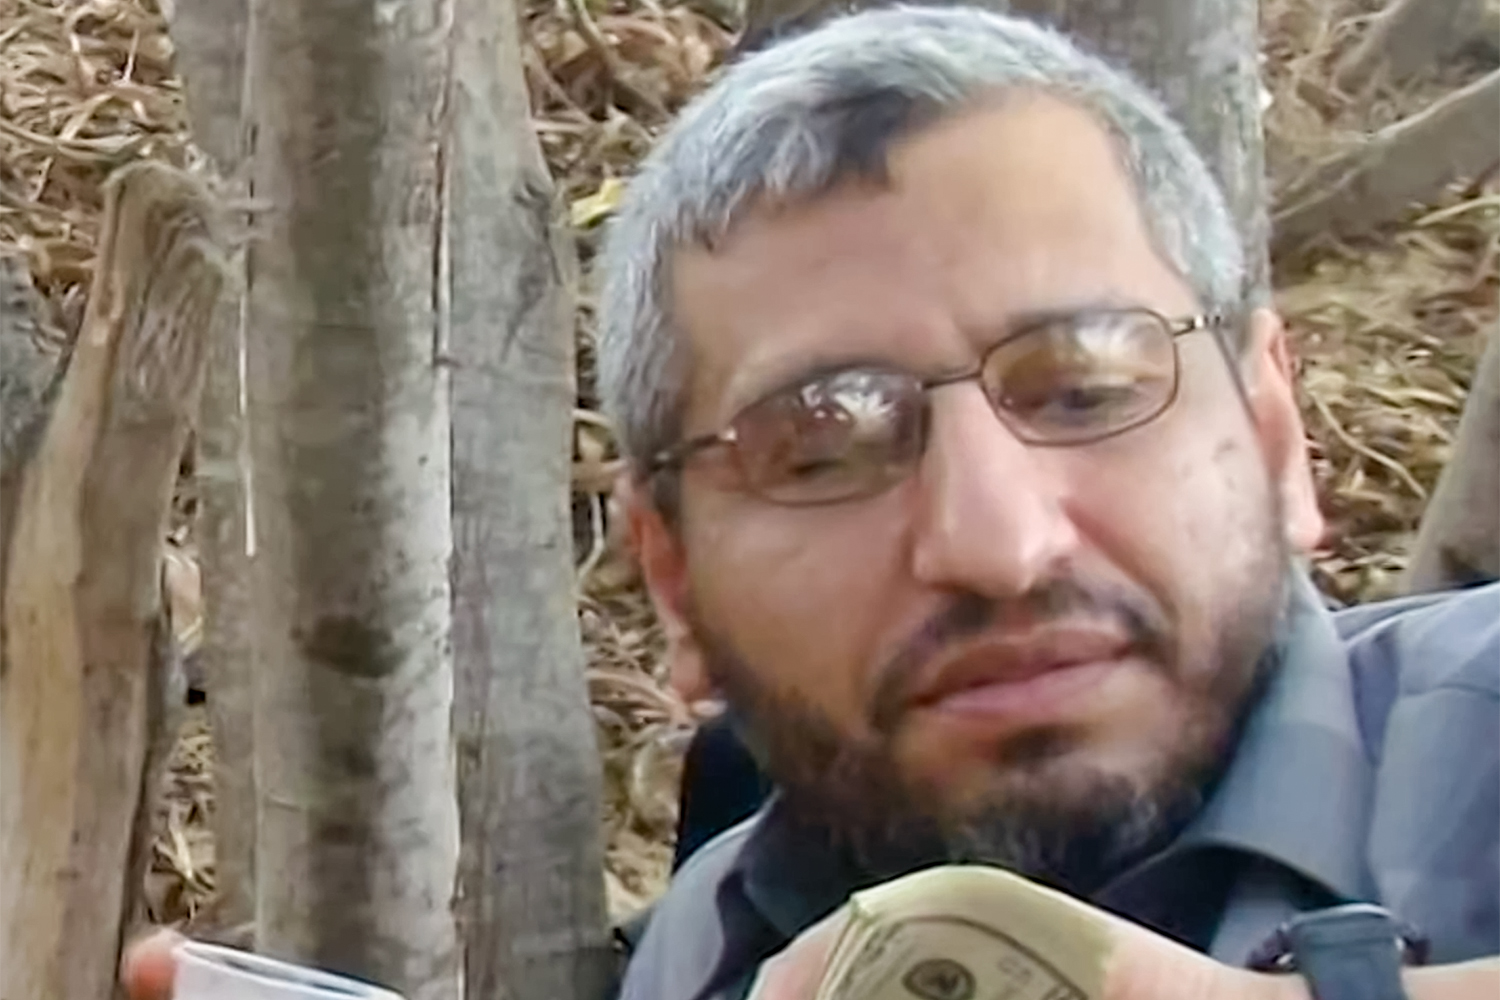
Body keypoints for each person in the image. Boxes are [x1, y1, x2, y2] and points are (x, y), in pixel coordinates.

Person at [121, 5, 1499, 1000]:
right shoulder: (719, 945)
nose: (999, 544)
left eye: (1084, 386)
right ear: (674, 583)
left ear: (1273, 435)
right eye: (823, 445)